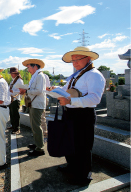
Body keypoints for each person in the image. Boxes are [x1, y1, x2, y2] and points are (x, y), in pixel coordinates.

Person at [53, 46, 105, 185]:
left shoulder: (94, 75)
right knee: (69, 142)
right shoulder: (76, 75)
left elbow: (95, 99)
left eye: (77, 59)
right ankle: (72, 166)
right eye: (73, 60)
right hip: (70, 112)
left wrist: (71, 100)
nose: (74, 63)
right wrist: (55, 90)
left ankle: (84, 175)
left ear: (88, 58)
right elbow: (66, 90)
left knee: (83, 145)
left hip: (83, 114)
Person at [19, 59, 46, 156]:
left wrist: (26, 91)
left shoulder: (40, 76)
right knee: (34, 126)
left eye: (29, 67)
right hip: (34, 104)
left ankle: (40, 149)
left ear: (35, 67)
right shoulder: (36, 76)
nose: (28, 70)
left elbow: (39, 91)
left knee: (36, 126)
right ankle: (37, 143)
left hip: (37, 104)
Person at [7, 67, 24, 134]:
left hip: (16, 99)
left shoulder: (19, 80)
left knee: (15, 114)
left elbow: (21, 91)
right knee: (11, 113)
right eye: (11, 73)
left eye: (12, 73)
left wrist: (12, 91)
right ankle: (13, 125)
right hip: (11, 99)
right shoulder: (13, 80)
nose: (11, 74)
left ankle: (17, 128)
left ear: (16, 73)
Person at [41, 73, 51, 137]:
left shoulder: (44, 76)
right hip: (37, 99)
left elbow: (48, 88)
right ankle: (39, 133)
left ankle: (44, 133)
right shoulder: (34, 76)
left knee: (42, 116)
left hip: (43, 98)